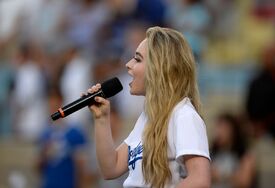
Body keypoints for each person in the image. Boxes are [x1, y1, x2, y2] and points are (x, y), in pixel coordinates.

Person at [87, 26, 211, 188]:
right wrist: (101, 118)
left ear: (160, 67)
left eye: (137, 59)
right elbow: (111, 168)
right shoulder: (148, 117)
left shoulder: (183, 115)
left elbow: (200, 180)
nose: (128, 64)